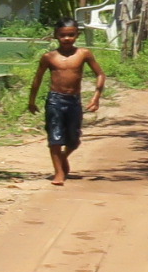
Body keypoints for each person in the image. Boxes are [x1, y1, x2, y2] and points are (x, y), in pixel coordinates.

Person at [26, 17, 106, 186]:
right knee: (55, 137)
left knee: (74, 139)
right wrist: (31, 101)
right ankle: (59, 173)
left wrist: (96, 97)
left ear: (77, 35)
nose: (67, 39)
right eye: (63, 35)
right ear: (56, 36)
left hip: (74, 101)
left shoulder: (84, 54)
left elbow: (100, 74)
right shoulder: (49, 57)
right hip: (55, 100)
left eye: (71, 35)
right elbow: (37, 79)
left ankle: (63, 157)